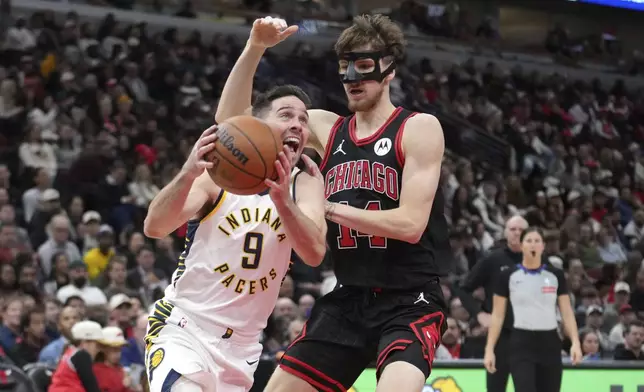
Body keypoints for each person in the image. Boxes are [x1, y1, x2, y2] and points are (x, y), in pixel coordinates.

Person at [216, 14, 451, 391]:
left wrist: (325, 207)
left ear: (388, 70)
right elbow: (232, 125)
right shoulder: (325, 127)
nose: (353, 78)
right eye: (346, 67)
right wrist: (254, 48)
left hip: (409, 299)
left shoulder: (419, 127)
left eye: (363, 66)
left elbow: (410, 225)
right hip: (349, 297)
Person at [142, 85, 327, 392]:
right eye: (286, 115)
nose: (298, 124)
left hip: (243, 348)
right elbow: (155, 226)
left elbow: (314, 254)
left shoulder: (305, 184)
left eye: (304, 120)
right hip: (185, 328)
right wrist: (188, 173)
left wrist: (283, 202)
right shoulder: (219, 175)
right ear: (258, 125)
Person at [484, 227, 582, 392]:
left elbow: (566, 312)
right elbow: (498, 315)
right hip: (521, 342)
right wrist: (489, 349)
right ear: (521, 245)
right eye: (529, 241)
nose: (533, 245)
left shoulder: (555, 275)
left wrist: (575, 342)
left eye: (537, 241)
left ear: (543, 246)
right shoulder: (508, 276)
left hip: (550, 341)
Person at [460, 215, 528, 392]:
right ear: (505, 233)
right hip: (500, 338)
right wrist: (479, 313)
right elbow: (463, 289)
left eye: (521, 230)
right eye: (512, 229)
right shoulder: (493, 260)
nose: (517, 233)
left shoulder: (539, 261)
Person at [49, 320, 103, 392]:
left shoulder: (69, 352)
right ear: (85, 342)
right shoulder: (81, 356)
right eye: (97, 345)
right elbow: (93, 389)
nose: (99, 350)